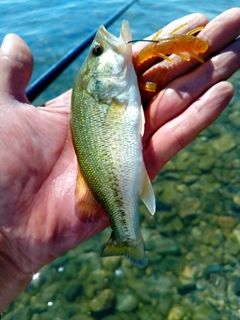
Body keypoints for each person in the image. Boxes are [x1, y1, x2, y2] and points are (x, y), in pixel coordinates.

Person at [0, 8, 240, 312]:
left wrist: (9, 258)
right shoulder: (104, 91)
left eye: (96, 51)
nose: (102, 44)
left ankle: (125, 235)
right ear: (96, 84)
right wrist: (7, 258)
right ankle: (125, 235)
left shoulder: (110, 89)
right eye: (99, 51)